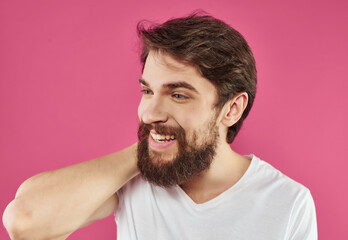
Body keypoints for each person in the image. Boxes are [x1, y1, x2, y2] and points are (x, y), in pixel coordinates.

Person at [3, 13, 317, 240]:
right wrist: (147, 150)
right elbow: (24, 221)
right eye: (147, 91)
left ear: (232, 109)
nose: (150, 112)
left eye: (178, 95)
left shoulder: (288, 202)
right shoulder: (135, 180)